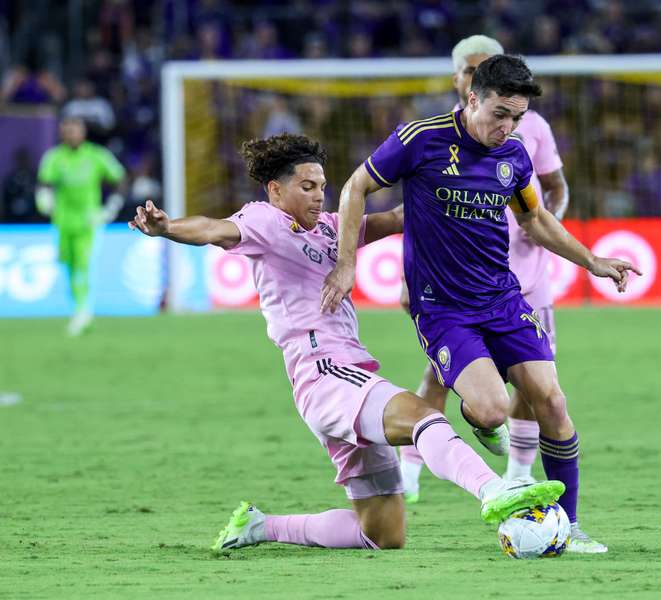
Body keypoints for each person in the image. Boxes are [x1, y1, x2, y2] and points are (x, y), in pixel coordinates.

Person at [128, 133, 563, 552]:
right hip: (322, 370)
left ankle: (260, 526)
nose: (319, 195)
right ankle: (494, 490)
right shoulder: (264, 220)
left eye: (322, 186)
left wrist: (451, 183)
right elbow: (212, 228)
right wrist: (167, 228)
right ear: (276, 190)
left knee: (382, 533)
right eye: (307, 186)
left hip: (344, 378)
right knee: (420, 416)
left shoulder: (333, 227)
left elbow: (396, 219)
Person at [321, 55, 640, 554]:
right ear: (472, 97)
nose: (507, 127)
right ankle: (478, 421)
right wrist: (346, 263)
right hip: (443, 308)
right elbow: (356, 186)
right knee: (491, 411)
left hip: (502, 298)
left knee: (553, 402)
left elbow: (535, 222)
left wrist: (591, 260)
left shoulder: (513, 156)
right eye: (499, 114)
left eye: (516, 117)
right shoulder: (419, 139)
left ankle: (570, 526)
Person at [396, 35, 569, 513]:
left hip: (522, 279)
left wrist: (545, 225)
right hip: (451, 287)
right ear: (461, 81)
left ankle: (519, 474)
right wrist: (404, 275)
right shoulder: (430, 138)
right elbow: (412, 211)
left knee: (541, 389)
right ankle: (408, 471)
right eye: (471, 70)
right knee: (442, 377)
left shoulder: (528, 130)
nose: (509, 124)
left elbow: (552, 190)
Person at [36, 116, 126, 335]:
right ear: (62, 134)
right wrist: (43, 197)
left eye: (75, 130)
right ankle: (79, 309)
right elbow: (44, 182)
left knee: (83, 266)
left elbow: (120, 178)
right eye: (67, 131)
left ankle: (83, 312)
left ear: (83, 132)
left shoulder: (96, 155)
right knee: (69, 267)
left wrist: (111, 207)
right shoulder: (55, 157)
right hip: (63, 222)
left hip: (89, 222)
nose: (72, 135)